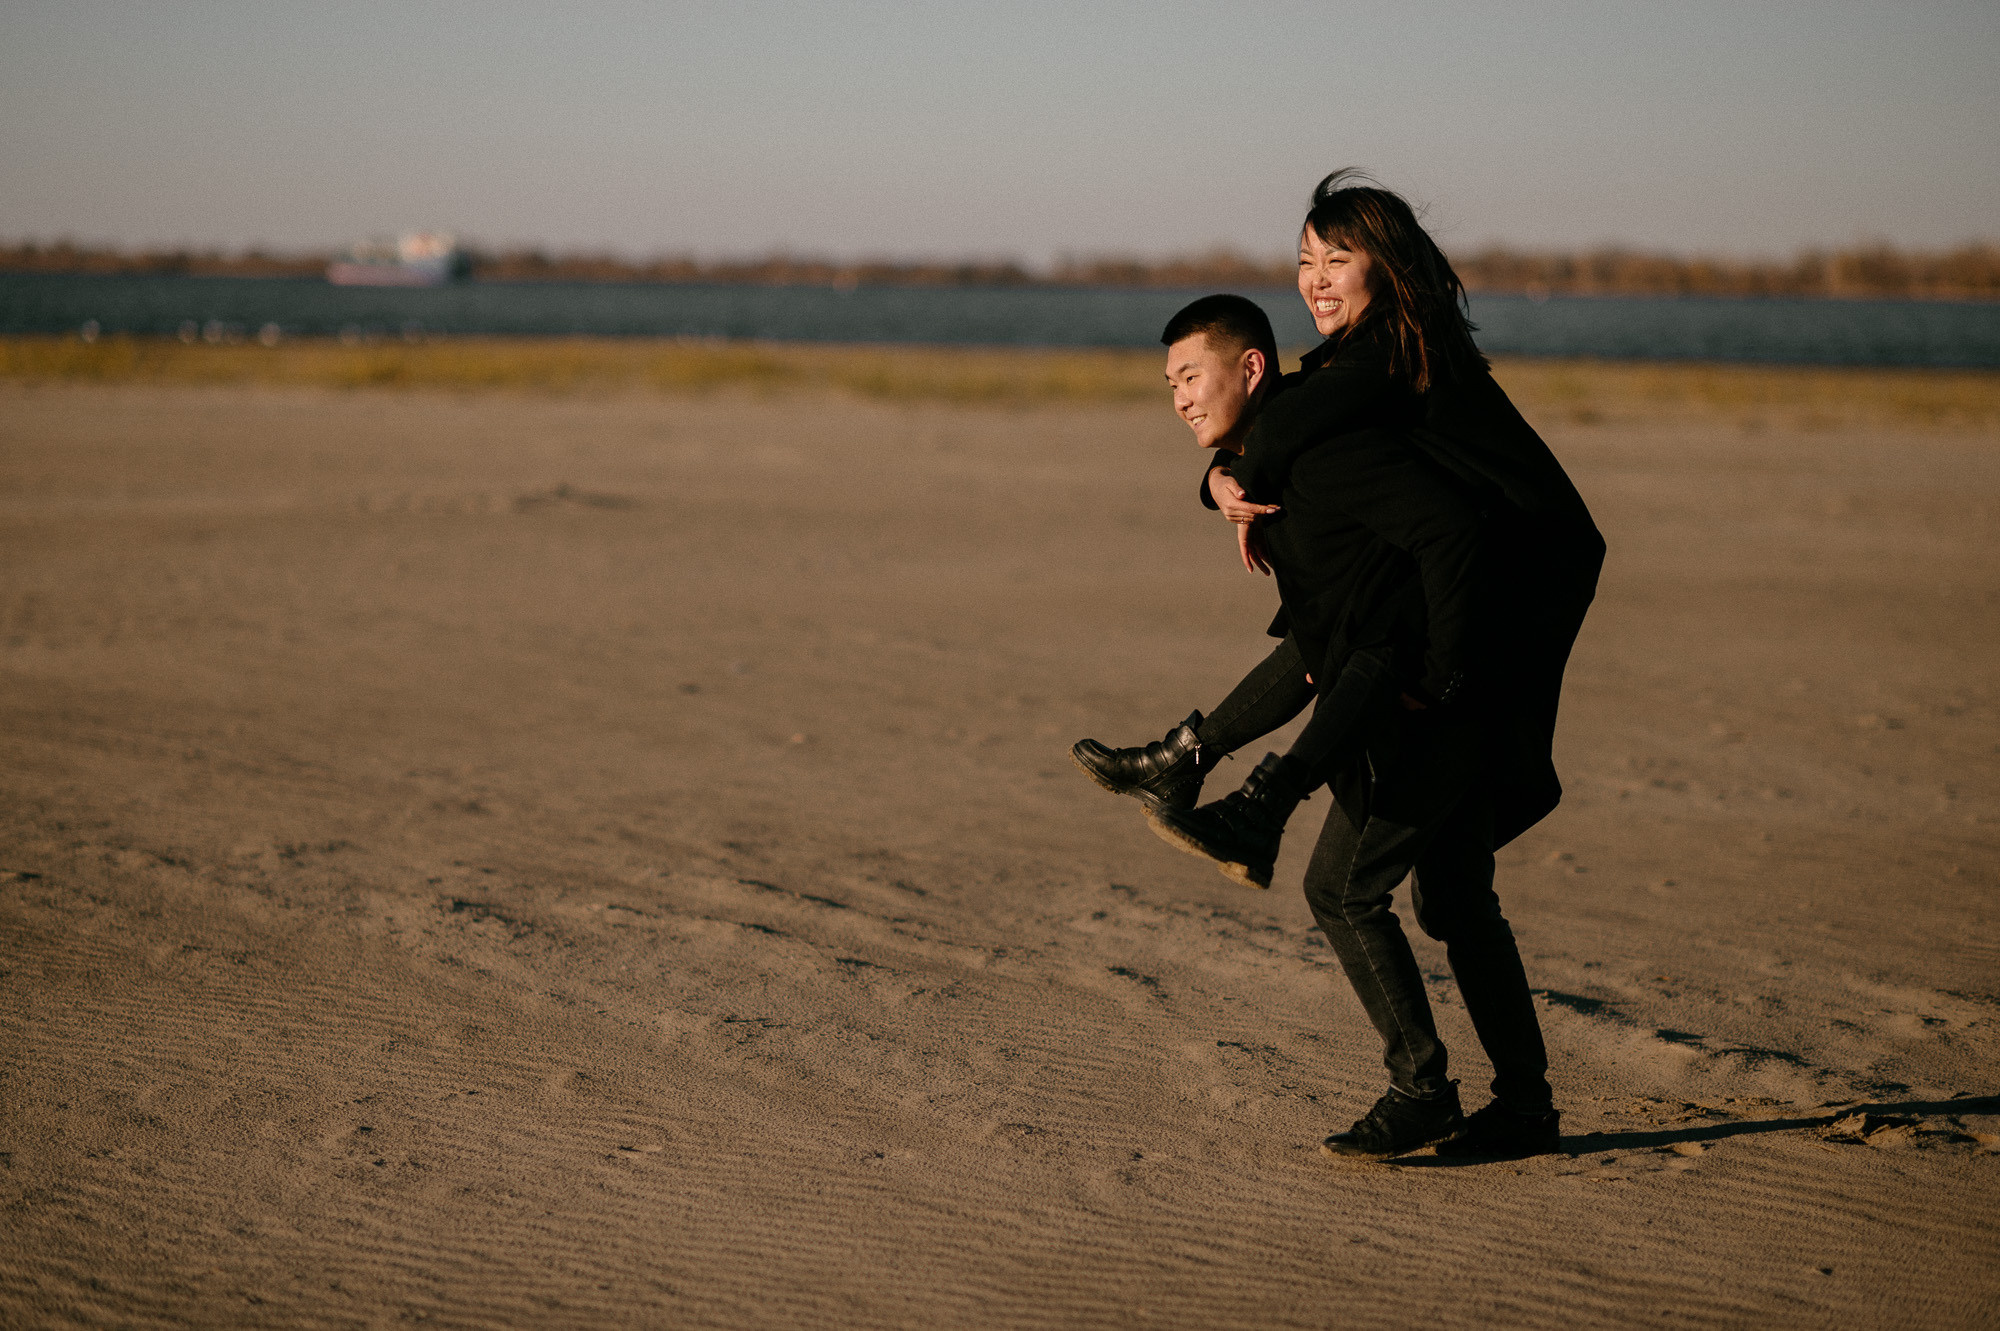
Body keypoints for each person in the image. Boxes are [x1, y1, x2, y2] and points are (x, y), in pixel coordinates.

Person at [1072, 170, 1604, 1161]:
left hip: (1513, 601)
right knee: (1449, 889)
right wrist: (1218, 479)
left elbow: (1286, 418)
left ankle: (1425, 1088)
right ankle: (1521, 1105)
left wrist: (1227, 471)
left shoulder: (1401, 349)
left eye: (1336, 257)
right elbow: (1287, 407)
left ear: (1386, 262)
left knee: (1347, 885)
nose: (1315, 277)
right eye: (1304, 260)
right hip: (1476, 612)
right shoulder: (1361, 364)